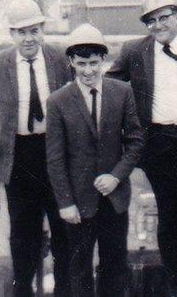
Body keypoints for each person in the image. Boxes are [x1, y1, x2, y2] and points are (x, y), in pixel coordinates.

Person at [106, 0, 177, 296]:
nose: (159, 25)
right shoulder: (134, 51)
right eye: (151, 21)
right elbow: (110, 85)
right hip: (158, 143)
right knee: (169, 210)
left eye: (164, 17)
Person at [0, 0, 74, 296]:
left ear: (43, 29)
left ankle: (64, 290)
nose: (29, 38)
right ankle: (23, 290)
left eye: (34, 30)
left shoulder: (59, 58)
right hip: (18, 157)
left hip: (56, 154)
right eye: (21, 32)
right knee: (22, 233)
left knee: (64, 228)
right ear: (11, 34)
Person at [46, 24, 146, 297]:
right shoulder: (58, 101)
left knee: (115, 265)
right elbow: (55, 158)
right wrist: (65, 202)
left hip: (114, 199)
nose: (88, 71)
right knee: (78, 267)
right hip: (78, 203)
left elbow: (135, 141)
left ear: (104, 60)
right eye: (81, 64)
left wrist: (116, 176)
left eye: (93, 63)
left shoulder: (122, 92)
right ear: (71, 62)